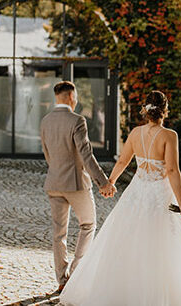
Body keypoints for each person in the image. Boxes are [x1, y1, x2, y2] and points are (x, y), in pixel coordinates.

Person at [60, 90, 181, 305]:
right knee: (162, 245)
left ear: (145, 111)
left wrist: (109, 182)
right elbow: (173, 171)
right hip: (161, 194)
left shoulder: (135, 133)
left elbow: (122, 162)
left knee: (127, 239)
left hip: (137, 192)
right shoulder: (169, 136)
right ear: (165, 111)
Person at [40, 81, 116, 293]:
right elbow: (86, 155)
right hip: (76, 184)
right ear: (71, 98)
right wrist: (104, 182)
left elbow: (47, 155)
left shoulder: (45, 121)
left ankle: (62, 279)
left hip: (54, 183)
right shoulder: (77, 120)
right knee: (88, 224)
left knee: (58, 234)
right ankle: (75, 274)